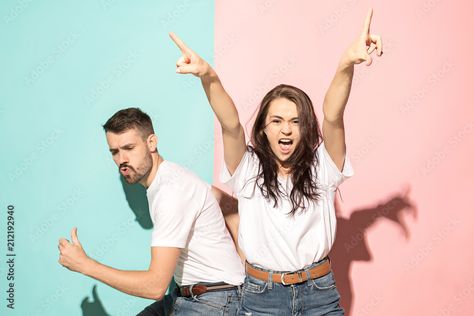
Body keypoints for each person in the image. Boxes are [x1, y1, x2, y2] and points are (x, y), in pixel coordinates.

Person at [169, 8, 382, 315]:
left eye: (295, 122)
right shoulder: (248, 169)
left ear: (306, 127)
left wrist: (347, 63)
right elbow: (230, 124)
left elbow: (333, 115)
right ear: (264, 128)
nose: (286, 129)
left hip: (318, 292)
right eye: (277, 121)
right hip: (261, 296)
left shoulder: (322, 167)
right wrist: (208, 76)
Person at [57, 108, 245, 315]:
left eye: (129, 148)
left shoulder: (170, 193)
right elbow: (230, 206)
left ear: (151, 143)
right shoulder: (172, 177)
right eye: (114, 152)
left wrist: (85, 265)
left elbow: (155, 286)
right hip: (193, 295)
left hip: (213, 302)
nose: (122, 160)